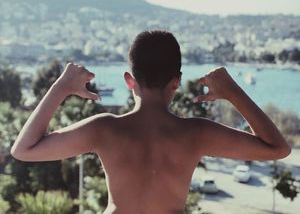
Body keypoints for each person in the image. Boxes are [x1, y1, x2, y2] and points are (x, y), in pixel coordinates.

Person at [11, 30, 291, 214]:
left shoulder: (105, 129)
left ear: (129, 80)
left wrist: (61, 87)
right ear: (176, 83)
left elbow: (23, 150)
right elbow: (278, 148)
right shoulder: (196, 133)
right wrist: (232, 92)